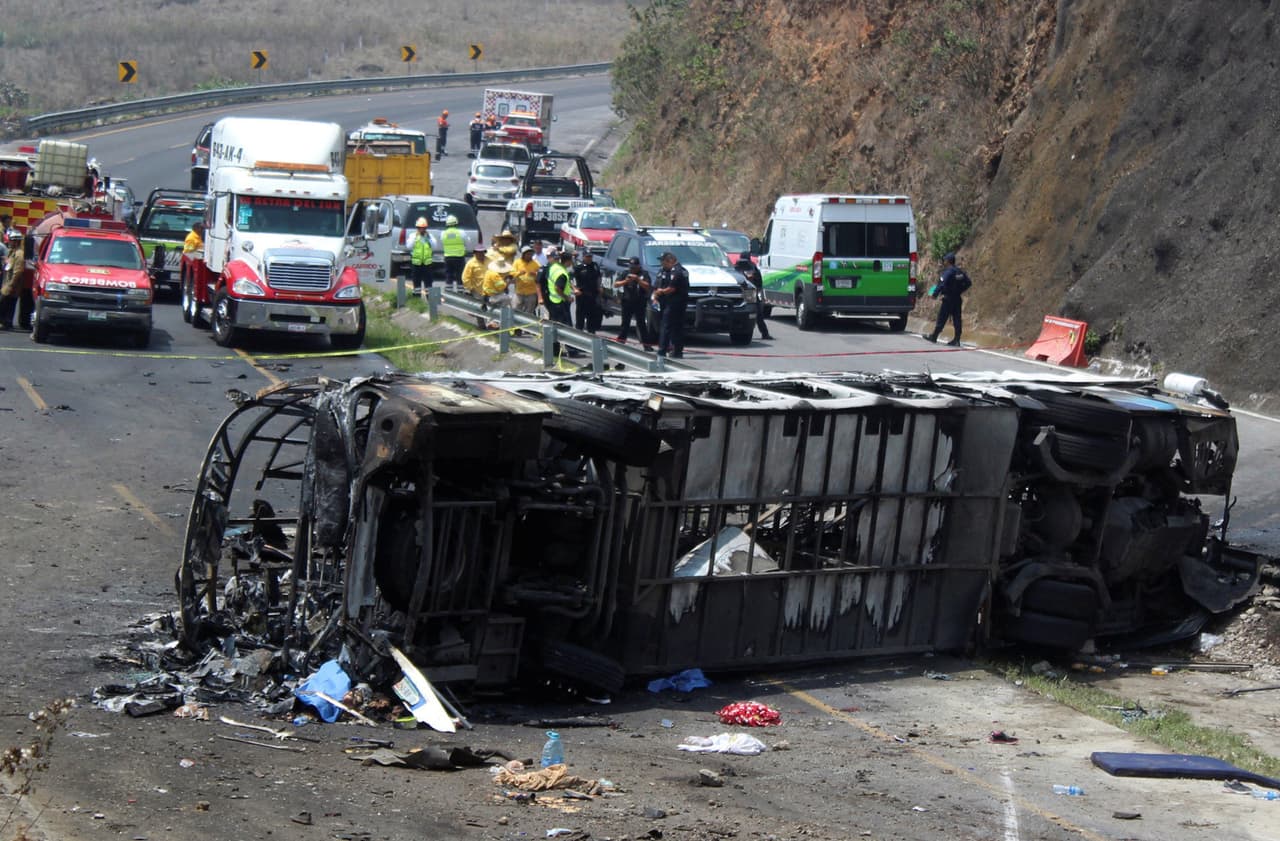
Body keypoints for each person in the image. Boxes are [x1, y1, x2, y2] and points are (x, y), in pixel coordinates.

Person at [924, 252, 971, 346]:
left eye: (945, 260)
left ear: (948, 261)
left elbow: (942, 284)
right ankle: (957, 340)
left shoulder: (948, 272)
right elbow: (968, 283)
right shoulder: (959, 272)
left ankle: (934, 336)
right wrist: (960, 290)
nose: (944, 262)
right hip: (957, 298)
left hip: (948, 299)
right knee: (957, 319)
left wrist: (934, 294)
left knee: (942, 318)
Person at [652, 250, 689, 358]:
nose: (662, 263)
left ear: (670, 260)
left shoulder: (678, 271)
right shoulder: (664, 271)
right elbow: (657, 284)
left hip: (676, 303)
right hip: (666, 302)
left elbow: (672, 288)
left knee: (667, 326)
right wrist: (655, 296)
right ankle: (676, 351)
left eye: (663, 261)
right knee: (673, 327)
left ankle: (662, 351)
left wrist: (660, 292)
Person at [614, 256, 654, 350]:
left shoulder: (644, 274)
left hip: (639, 302)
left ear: (638, 266)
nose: (632, 269)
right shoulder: (625, 273)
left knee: (641, 324)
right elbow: (616, 284)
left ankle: (646, 345)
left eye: (634, 267)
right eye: (631, 267)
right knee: (625, 324)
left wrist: (638, 279)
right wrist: (626, 281)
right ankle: (621, 342)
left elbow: (648, 287)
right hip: (627, 301)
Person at [0, 231, 31, 331]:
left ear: (16, 241)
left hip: (12, 284)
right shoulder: (12, 252)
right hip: (7, 282)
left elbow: (18, 272)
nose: (9, 242)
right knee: (5, 303)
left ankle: (7, 323)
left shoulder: (19, 254)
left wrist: (11, 285)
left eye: (11, 240)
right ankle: (4, 322)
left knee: (8, 304)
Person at [735, 255, 770, 339]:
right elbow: (758, 282)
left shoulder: (737, 266)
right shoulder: (751, 266)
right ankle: (764, 333)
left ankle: (763, 333)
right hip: (749, 291)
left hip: (743, 291)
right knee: (756, 313)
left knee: (753, 312)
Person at [572, 249, 603, 333]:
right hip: (582, 296)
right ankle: (579, 337)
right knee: (580, 320)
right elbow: (571, 280)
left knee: (592, 320)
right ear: (583, 257)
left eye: (590, 256)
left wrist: (599, 286)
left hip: (593, 296)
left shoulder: (595, 266)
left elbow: (598, 277)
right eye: (587, 256)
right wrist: (575, 289)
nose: (589, 258)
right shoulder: (579, 267)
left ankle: (592, 336)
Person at [511, 244, 541, 315]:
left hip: (531, 293)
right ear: (523, 254)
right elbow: (512, 273)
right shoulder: (517, 262)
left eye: (530, 254)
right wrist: (519, 273)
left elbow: (541, 274)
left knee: (529, 313)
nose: (529, 256)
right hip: (519, 292)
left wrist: (535, 274)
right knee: (515, 310)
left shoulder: (536, 263)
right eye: (527, 254)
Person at [407, 216, 434, 294]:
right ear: (417, 228)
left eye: (423, 228)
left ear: (426, 228)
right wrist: (415, 238)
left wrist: (429, 239)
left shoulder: (429, 236)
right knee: (416, 283)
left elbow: (434, 245)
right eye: (420, 228)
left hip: (427, 263)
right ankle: (417, 298)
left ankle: (429, 298)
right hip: (416, 263)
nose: (422, 230)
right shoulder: (413, 236)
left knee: (428, 283)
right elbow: (409, 246)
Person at [440, 215, 467, 289]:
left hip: (448, 257)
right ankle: (460, 291)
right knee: (460, 275)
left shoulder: (443, 233)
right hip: (459, 257)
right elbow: (467, 241)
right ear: (456, 223)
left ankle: (449, 291)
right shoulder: (461, 232)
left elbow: (442, 242)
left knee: (449, 275)